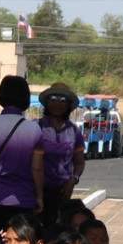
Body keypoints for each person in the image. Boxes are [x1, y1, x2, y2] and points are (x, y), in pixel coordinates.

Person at [0, 75, 43, 210]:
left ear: (1, 95)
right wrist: (39, 196)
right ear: (25, 97)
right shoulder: (34, 129)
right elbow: (37, 168)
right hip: (23, 198)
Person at [34, 83, 85, 215]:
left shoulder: (74, 131)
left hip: (63, 191)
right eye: (53, 98)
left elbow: (79, 162)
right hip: (36, 190)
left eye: (62, 100)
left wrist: (73, 180)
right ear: (46, 102)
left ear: (69, 104)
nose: (57, 103)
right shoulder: (35, 127)